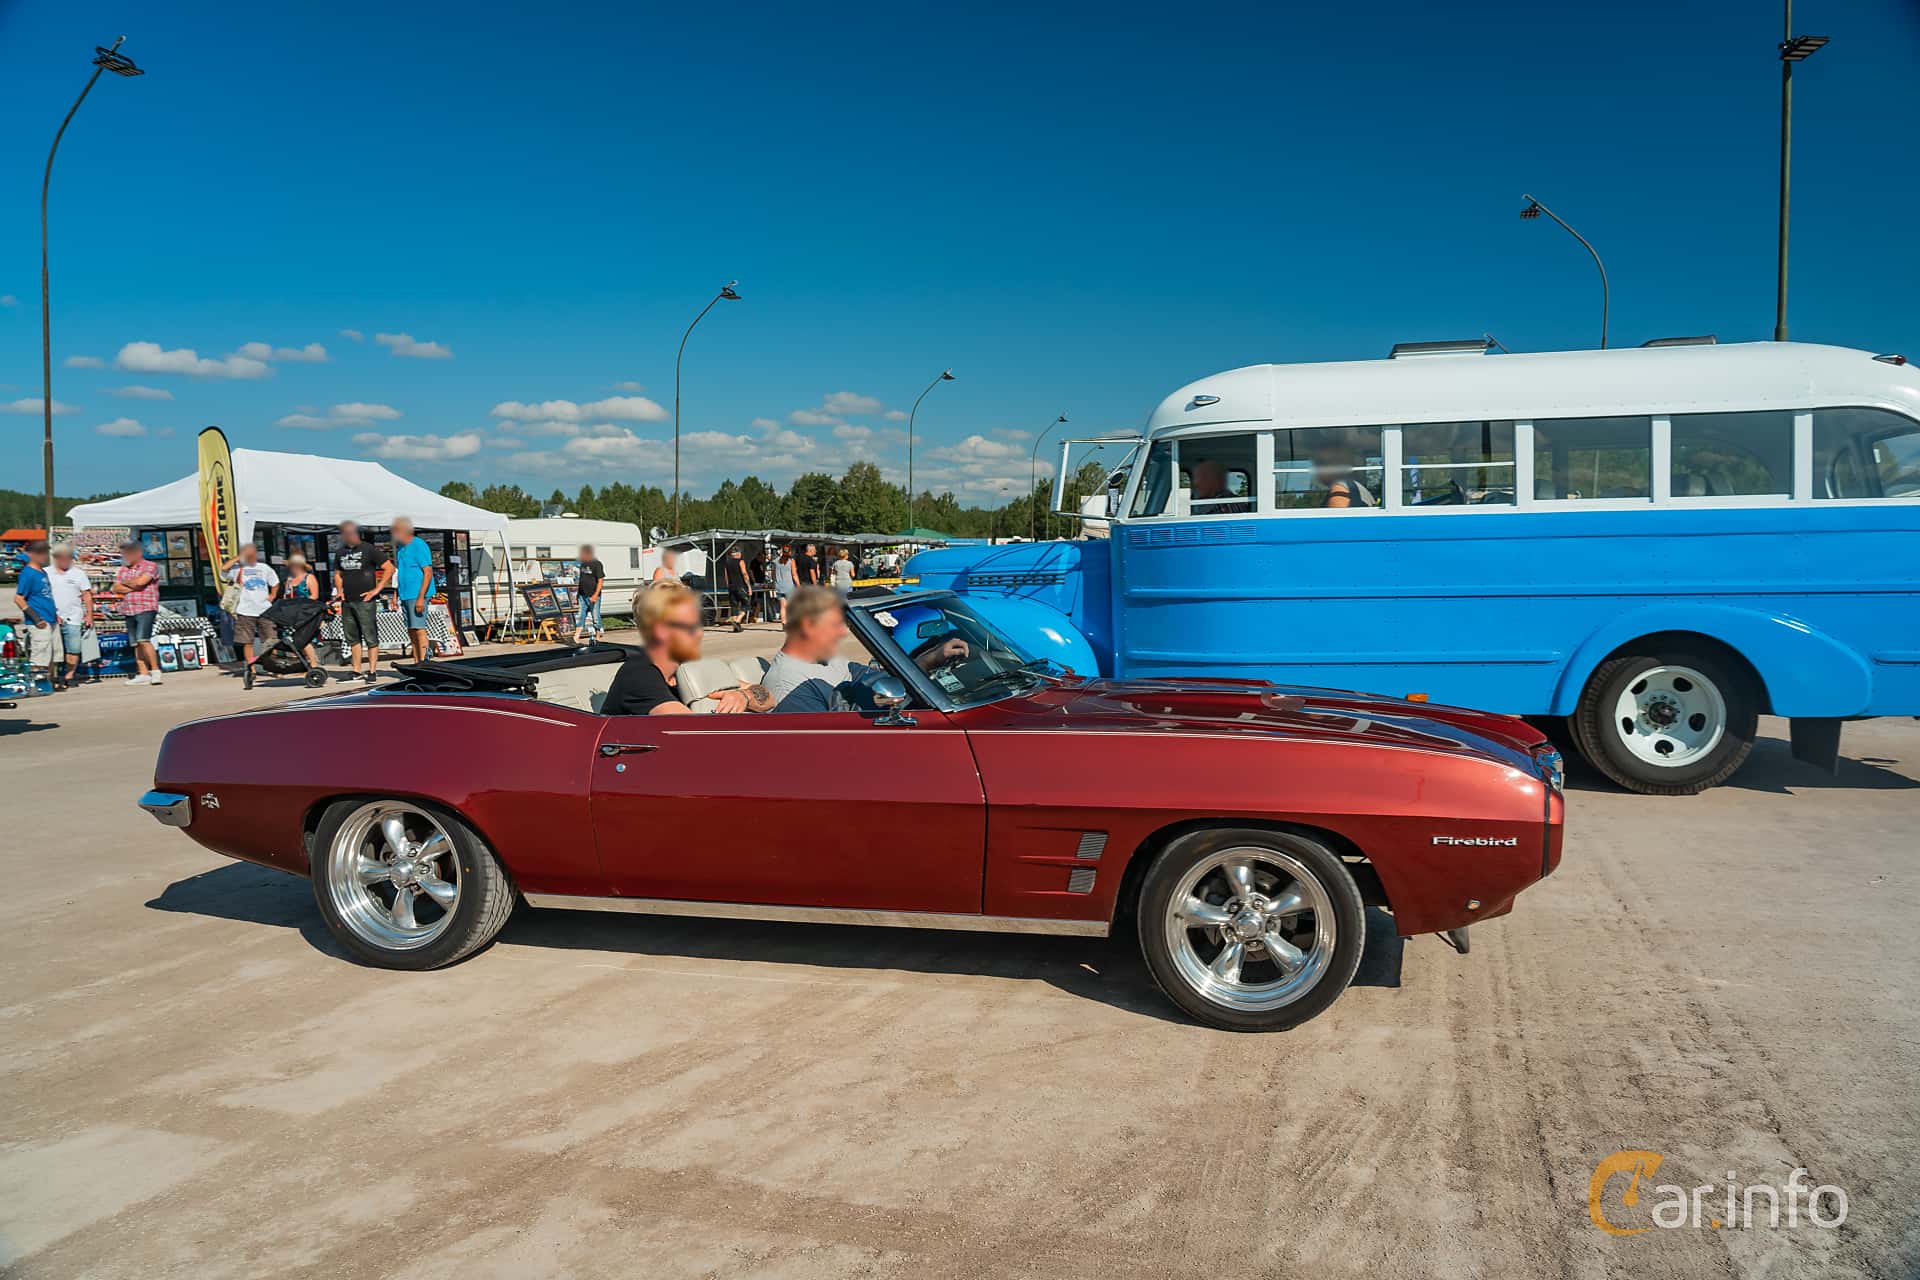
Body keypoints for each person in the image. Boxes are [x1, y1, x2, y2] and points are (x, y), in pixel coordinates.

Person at [763, 586, 971, 713]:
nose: (842, 633)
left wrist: (929, 660)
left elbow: (876, 680)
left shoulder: (826, 660)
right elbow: (828, 746)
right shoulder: (787, 684)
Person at [601, 581, 773, 716]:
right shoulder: (639, 675)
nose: (699, 633)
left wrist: (744, 696)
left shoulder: (689, 666)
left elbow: (769, 698)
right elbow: (691, 730)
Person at [331, 520, 390, 685]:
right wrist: (339, 590)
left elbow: (389, 568)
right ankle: (356, 670)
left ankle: (372, 670)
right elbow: (337, 574)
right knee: (352, 637)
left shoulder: (369, 549)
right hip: (348, 600)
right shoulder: (340, 552)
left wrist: (377, 589)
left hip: (365, 600)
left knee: (370, 636)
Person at [224, 543, 280, 681]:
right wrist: (239, 557)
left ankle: (274, 667)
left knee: (270, 640)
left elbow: (275, 582)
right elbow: (224, 569)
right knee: (247, 641)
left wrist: (273, 595)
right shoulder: (238, 569)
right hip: (245, 610)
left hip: (264, 610)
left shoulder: (264, 567)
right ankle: (251, 668)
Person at [11, 541, 61, 696]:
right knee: (40, 655)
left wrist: (55, 615)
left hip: (51, 619)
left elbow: (45, 596)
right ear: (32, 554)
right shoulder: (28, 573)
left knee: (52, 654)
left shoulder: (42, 572)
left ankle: (48, 683)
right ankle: (36, 685)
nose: (44, 555)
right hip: (40, 621)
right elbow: (19, 598)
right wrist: (36, 618)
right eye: (41, 552)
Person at [110, 537, 163, 686]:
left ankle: (155, 671)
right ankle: (143, 673)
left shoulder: (150, 566)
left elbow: (141, 582)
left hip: (145, 607)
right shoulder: (123, 569)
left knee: (143, 639)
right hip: (129, 609)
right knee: (135, 643)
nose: (125, 556)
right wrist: (134, 585)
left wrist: (129, 583)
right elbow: (116, 588)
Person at [47, 543, 95, 690]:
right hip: (52, 618)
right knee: (52, 650)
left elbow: (87, 595)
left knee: (73, 649)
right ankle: (52, 677)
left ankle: (69, 676)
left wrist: (89, 615)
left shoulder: (78, 574)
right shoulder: (46, 573)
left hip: (74, 617)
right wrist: (52, 613)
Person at [391, 517, 434, 664]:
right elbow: (399, 573)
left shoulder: (418, 544)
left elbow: (428, 571)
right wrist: (395, 595)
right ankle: (417, 661)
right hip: (405, 594)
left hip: (417, 594)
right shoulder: (400, 548)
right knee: (411, 629)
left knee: (419, 628)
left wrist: (421, 597)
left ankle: (424, 662)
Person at [281, 553, 323, 669]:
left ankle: (313, 664)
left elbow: (314, 595)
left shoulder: (309, 578)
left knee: (303, 639)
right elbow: (286, 595)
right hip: (292, 613)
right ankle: (304, 664)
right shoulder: (289, 580)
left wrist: (301, 604)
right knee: (293, 639)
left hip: (306, 613)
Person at [1313, 438, 1376, 508]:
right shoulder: (1354, 487)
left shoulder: (1339, 489)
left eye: (1321, 462)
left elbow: (1336, 514)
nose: (1317, 468)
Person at [1189, 458, 1254, 515]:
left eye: (1200, 478)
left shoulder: (1224, 505)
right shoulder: (1211, 502)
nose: (1195, 483)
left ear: (1212, 479)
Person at [575, 544, 606, 640]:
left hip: (593, 594)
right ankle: (576, 637)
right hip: (582, 595)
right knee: (581, 615)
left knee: (595, 616)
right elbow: (581, 580)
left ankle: (598, 636)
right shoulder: (583, 564)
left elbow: (600, 580)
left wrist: (596, 595)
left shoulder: (597, 564)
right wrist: (578, 594)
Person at [720, 546, 752, 633]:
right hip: (740, 586)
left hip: (731, 587)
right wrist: (749, 586)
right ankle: (737, 621)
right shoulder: (741, 561)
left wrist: (728, 586)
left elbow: (726, 576)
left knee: (734, 606)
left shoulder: (727, 563)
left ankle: (735, 627)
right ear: (738, 554)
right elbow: (744, 574)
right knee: (747, 605)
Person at [773, 545, 796, 624]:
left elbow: (773, 574)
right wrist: (798, 585)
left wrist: (775, 582)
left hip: (779, 586)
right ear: (790, 552)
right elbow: (794, 575)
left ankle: (784, 622)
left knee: (782, 606)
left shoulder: (776, 561)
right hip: (789, 586)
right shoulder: (791, 561)